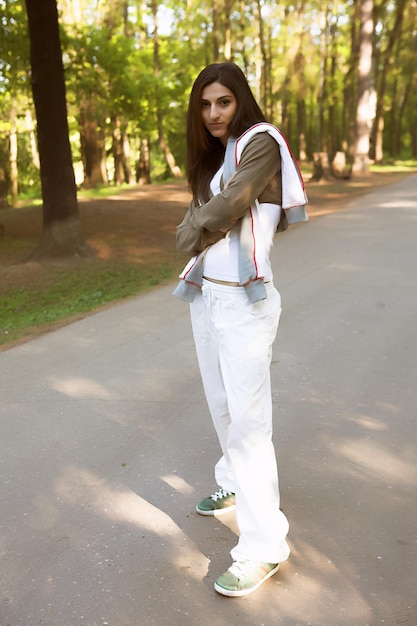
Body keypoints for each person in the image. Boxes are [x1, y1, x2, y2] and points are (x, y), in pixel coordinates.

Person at [173, 62, 308, 597]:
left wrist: (193, 229)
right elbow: (202, 213)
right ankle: (231, 486)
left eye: (223, 102)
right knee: (221, 405)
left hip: (246, 305)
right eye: (205, 105)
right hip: (208, 297)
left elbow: (226, 209)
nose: (213, 114)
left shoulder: (261, 142)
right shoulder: (214, 157)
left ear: (240, 101)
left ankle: (264, 546)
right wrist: (196, 224)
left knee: (250, 427)